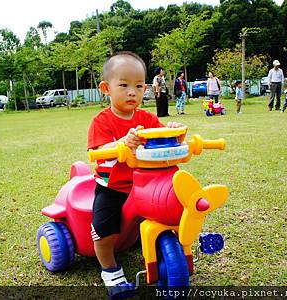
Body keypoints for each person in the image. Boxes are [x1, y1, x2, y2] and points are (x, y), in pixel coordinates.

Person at [88, 51, 185, 296]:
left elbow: (164, 140)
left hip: (145, 185)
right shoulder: (102, 121)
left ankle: (164, 250)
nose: (132, 92)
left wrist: (175, 133)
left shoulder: (147, 118)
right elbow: (98, 150)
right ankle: (109, 270)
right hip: (114, 187)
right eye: (124, 85)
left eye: (139, 86)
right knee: (102, 227)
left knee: (169, 210)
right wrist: (121, 143)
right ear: (105, 88)